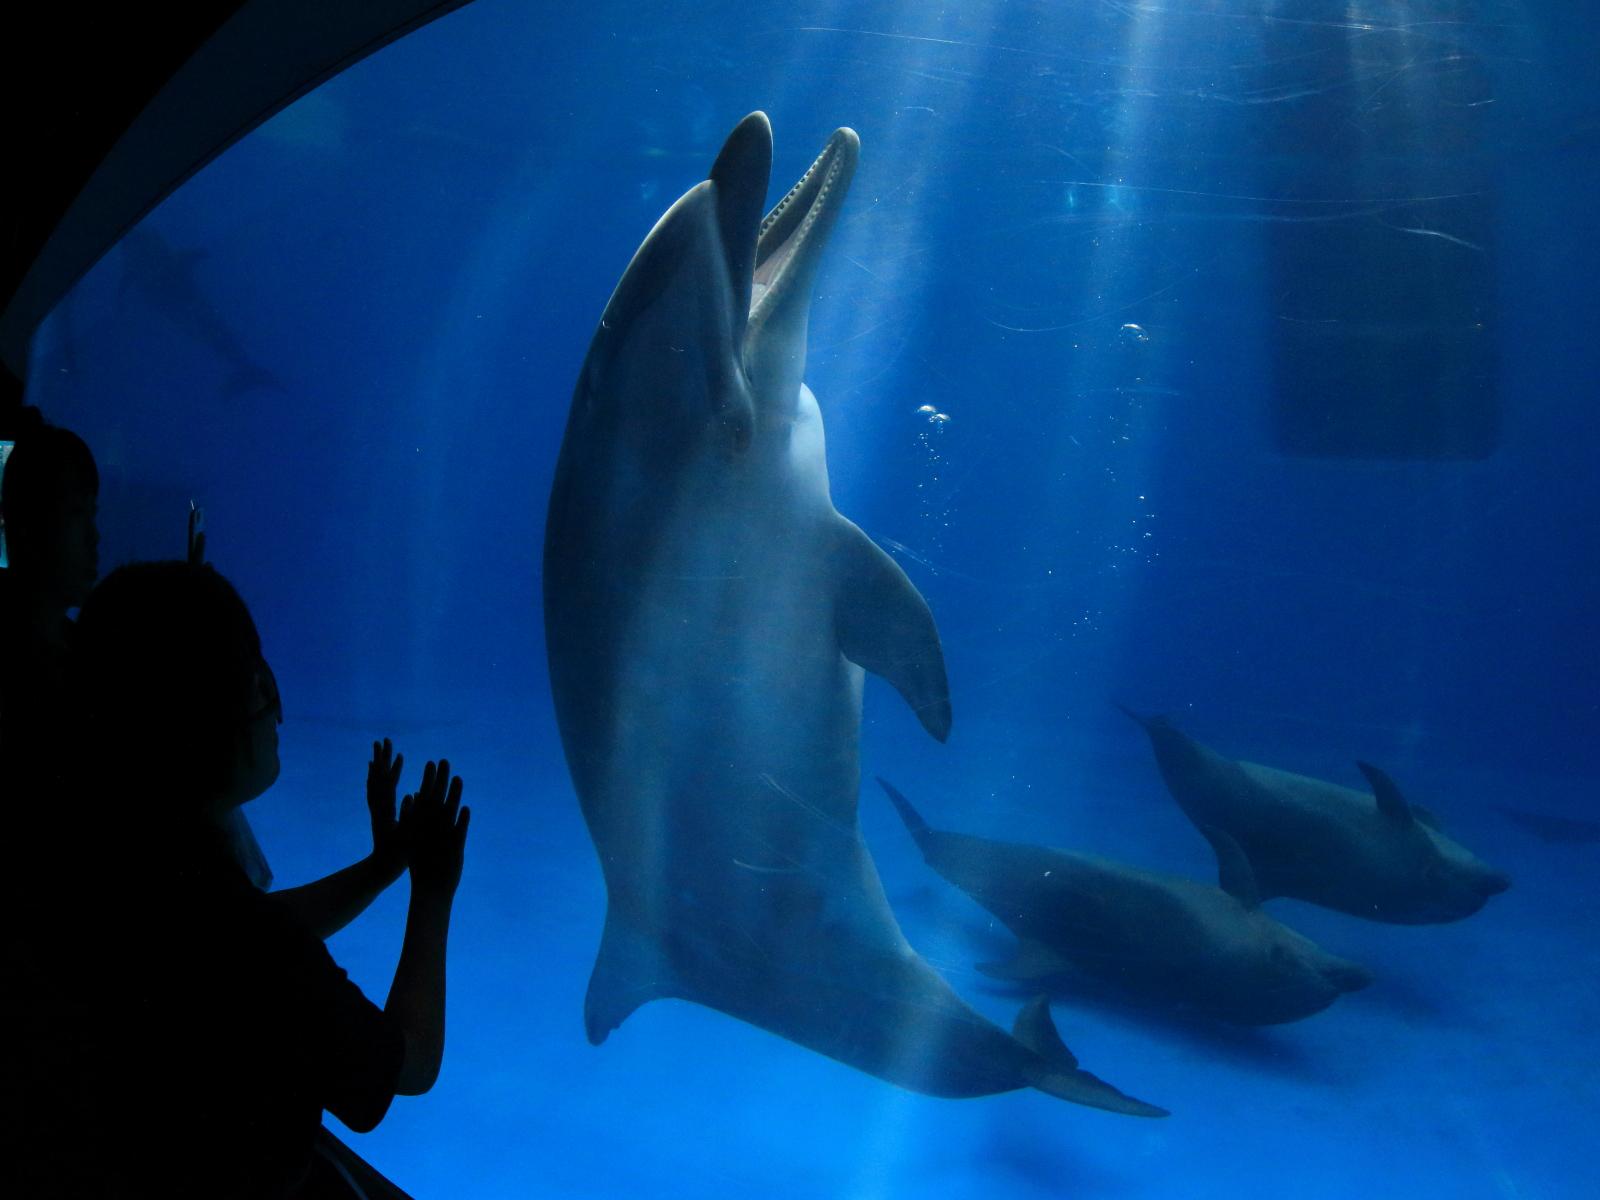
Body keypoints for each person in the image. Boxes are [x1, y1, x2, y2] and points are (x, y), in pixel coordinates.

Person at [14, 561, 470, 1198]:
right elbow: (409, 1062)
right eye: (256, 682)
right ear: (200, 724)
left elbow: (239, 930)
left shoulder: (90, 860)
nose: (277, 708)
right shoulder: (254, 952)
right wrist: (433, 891)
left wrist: (382, 867)